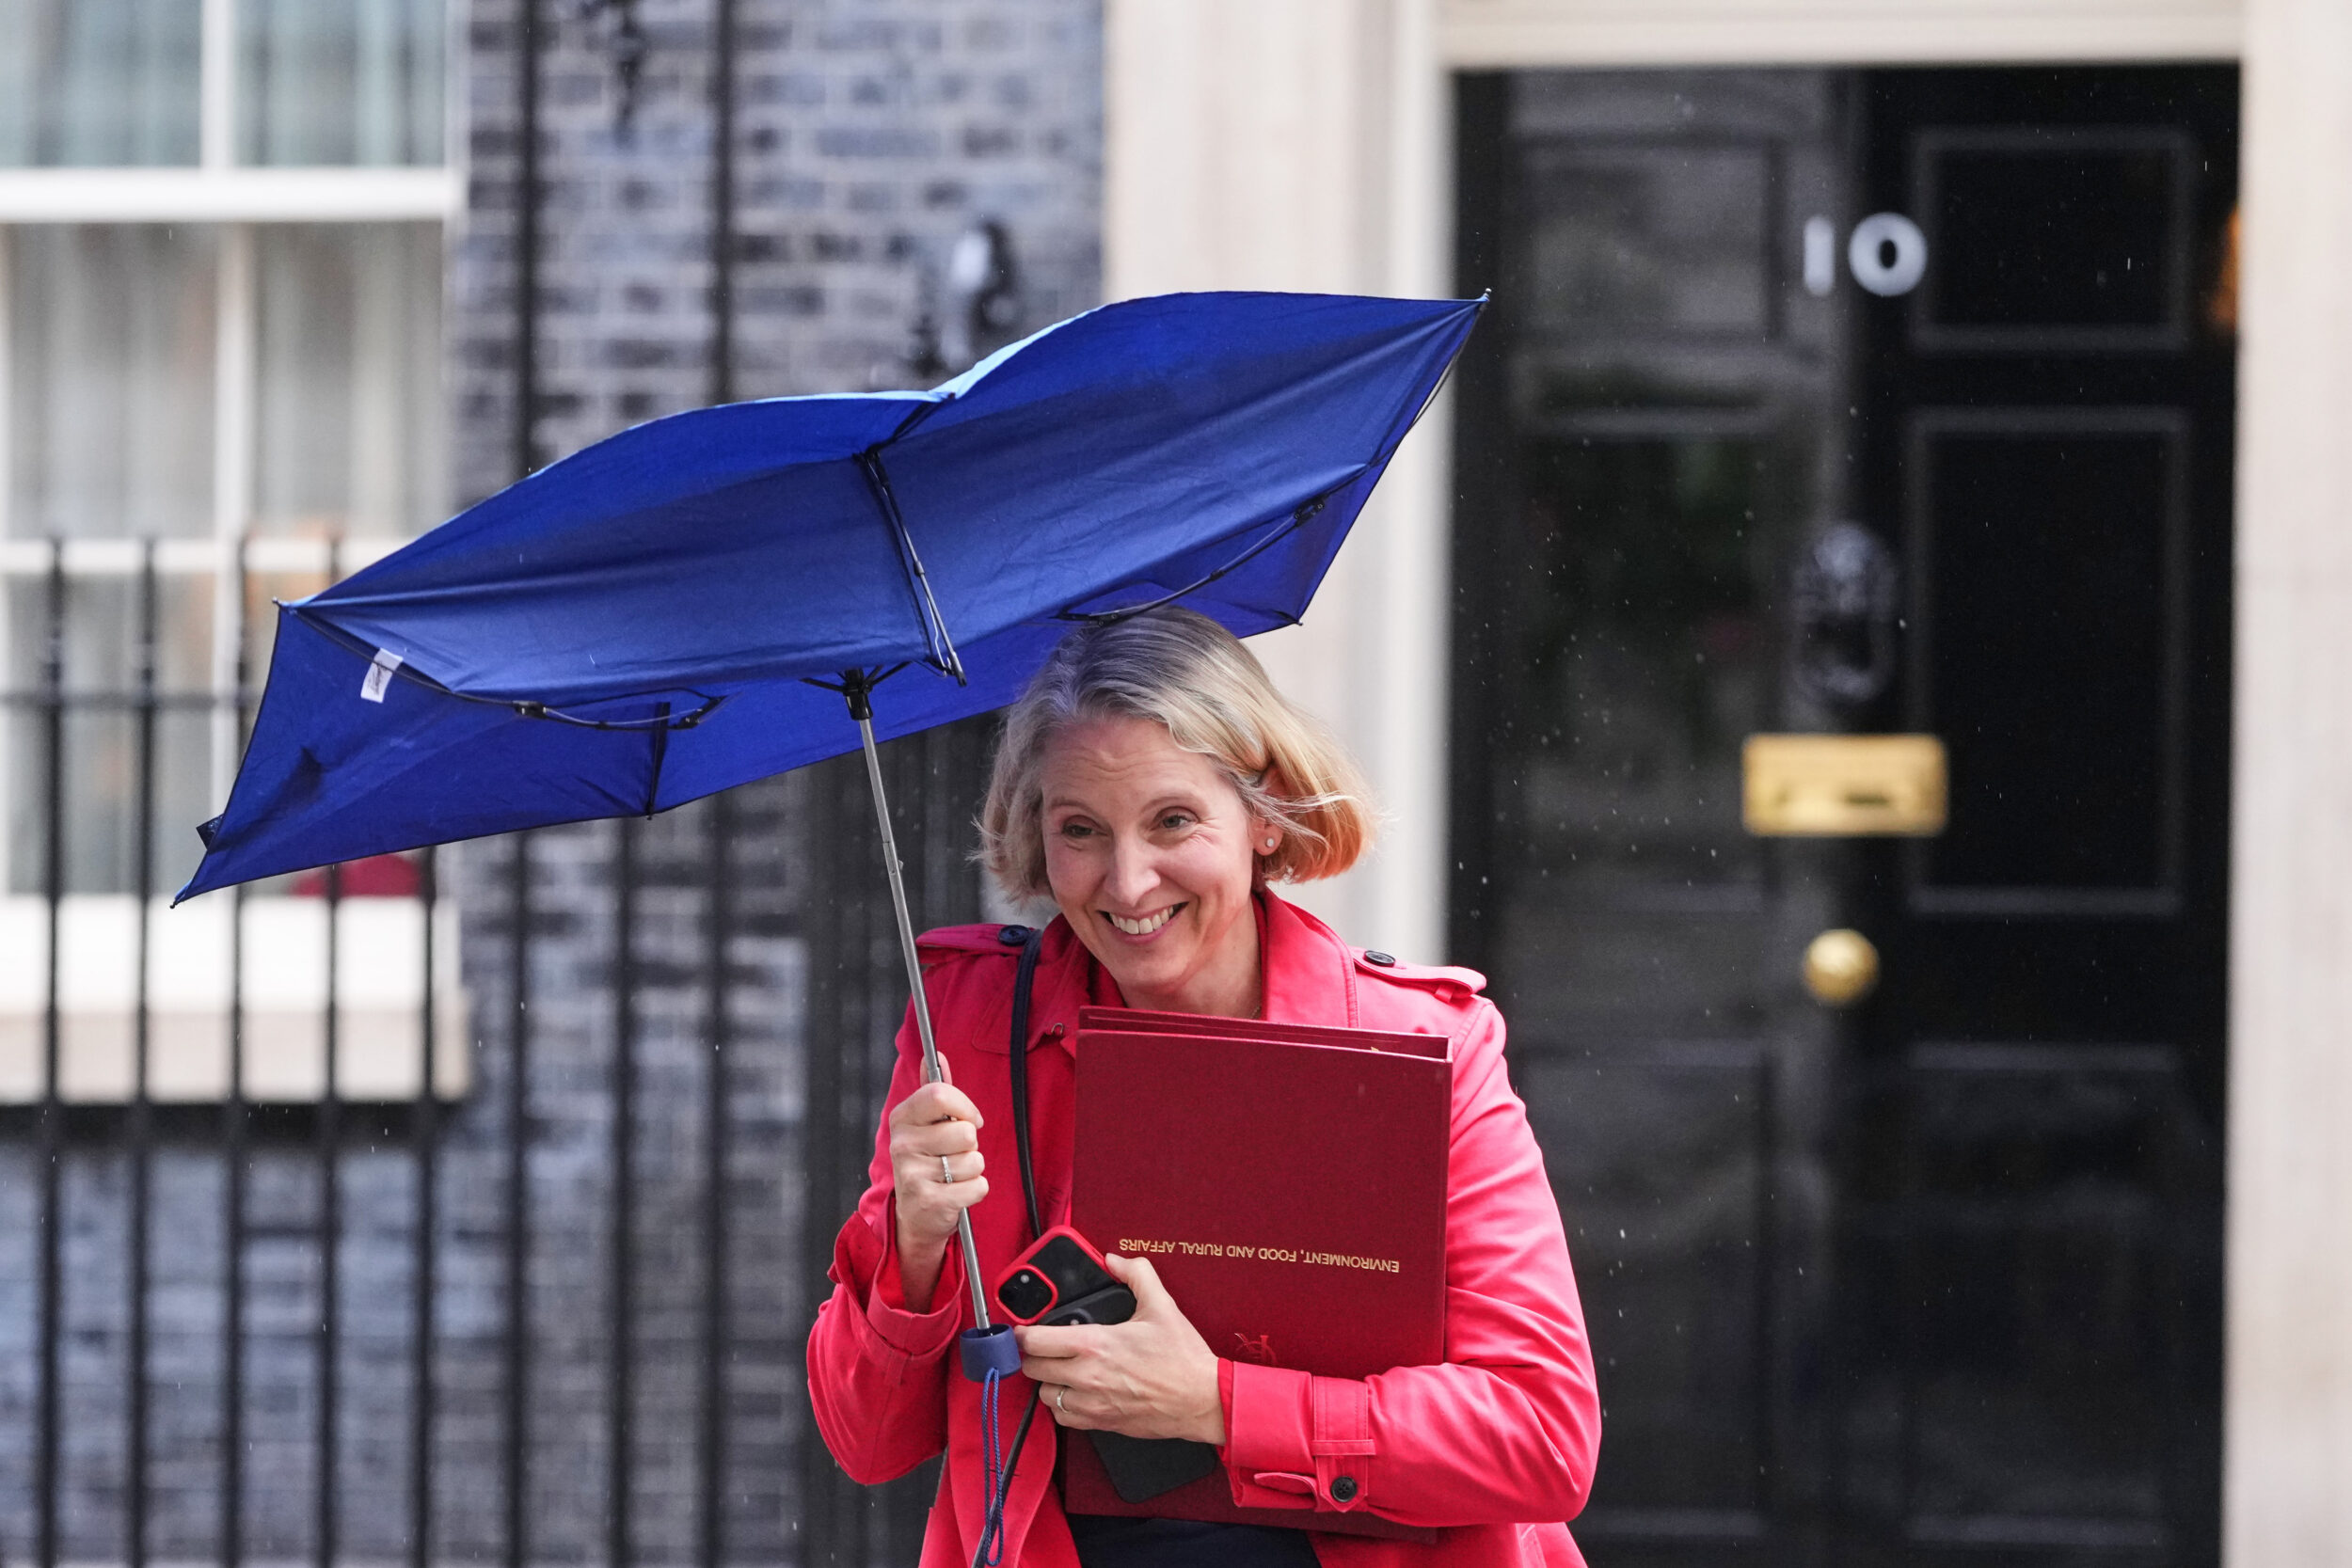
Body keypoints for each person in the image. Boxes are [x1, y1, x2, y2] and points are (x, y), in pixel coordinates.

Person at [806, 607, 1599, 1568]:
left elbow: (1541, 1435)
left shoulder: (1422, 1044)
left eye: (1173, 819)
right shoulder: (966, 1028)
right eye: (1080, 829)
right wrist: (914, 1249)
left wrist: (1219, 1402)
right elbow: (866, 1438)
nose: (1128, 881)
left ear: (1263, 816)